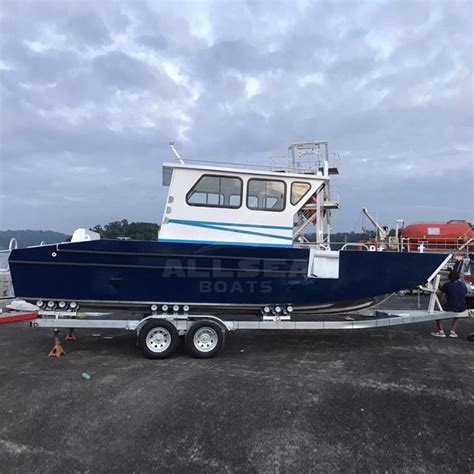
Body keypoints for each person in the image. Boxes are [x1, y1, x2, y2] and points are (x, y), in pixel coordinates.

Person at [431, 270, 467, 338]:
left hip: (451, 306)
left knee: (437, 312)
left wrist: (437, 303)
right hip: (462, 307)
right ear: (458, 277)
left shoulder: (446, 285)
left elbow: (441, 299)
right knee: (457, 314)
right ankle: (452, 332)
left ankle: (441, 332)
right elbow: (462, 295)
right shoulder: (463, 285)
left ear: (449, 277)